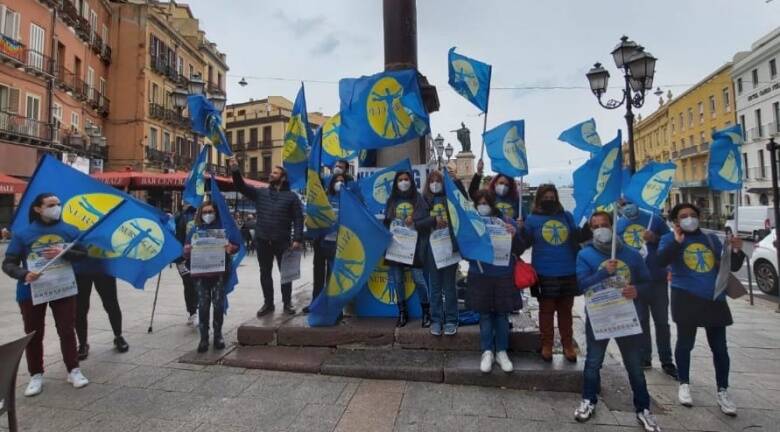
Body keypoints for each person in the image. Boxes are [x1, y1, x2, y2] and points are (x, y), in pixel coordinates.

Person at [573, 211, 660, 432]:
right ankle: (588, 400)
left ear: (612, 226)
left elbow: (649, 283)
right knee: (593, 362)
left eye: (604, 224)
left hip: (626, 318)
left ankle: (643, 408)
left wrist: (637, 290)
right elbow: (581, 285)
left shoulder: (632, 254)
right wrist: (603, 273)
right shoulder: (585, 254)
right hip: (599, 317)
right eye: (595, 226)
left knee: (634, 366)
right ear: (591, 230)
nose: (600, 229)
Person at [657, 203, 745, 416]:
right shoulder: (669, 239)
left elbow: (730, 266)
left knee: (720, 348)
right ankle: (684, 383)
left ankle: (723, 390)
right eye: (683, 216)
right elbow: (661, 261)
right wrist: (677, 243)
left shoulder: (710, 239)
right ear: (676, 221)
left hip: (714, 298)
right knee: (685, 343)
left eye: (692, 215)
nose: (689, 219)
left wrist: (736, 249)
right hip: (685, 296)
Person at [2, 193, 89, 396]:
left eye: (58, 204)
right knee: (34, 334)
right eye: (51, 205)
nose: (56, 207)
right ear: (38, 209)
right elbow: (8, 263)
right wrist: (24, 274)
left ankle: (73, 369)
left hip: (63, 288)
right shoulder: (23, 234)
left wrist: (64, 251)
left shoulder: (69, 230)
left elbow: (84, 254)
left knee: (67, 330)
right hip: (31, 290)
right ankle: (36, 374)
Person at [230, 158, 303, 316]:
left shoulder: (292, 197)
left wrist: (297, 239)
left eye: (275, 173)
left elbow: (298, 219)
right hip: (262, 240)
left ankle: (287, 303)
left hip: (282, 240)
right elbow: (241, 186)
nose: (271, 174)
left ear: (283, 177)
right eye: (271, 172)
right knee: (265, 273)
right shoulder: (261, 193)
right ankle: (268, 303)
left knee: (286, 274)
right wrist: (235, 170)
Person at [519, 184, 582, 362]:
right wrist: (521, 229)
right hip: (544, 272)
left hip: (567, 270)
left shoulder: (566, 217)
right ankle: (547, 344)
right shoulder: (532, 219)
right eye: (545, 197)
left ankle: (567, 345)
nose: (549, 200)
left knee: (565, 312)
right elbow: (524, 244)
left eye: (552, 197)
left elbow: (576, 238)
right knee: (546, 311)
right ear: (539, 199)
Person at [617, 201, 677, 378]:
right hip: (635, 281)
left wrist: (655, 239)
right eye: (622, 203)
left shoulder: (654, 219)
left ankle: (667, 360)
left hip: (657, 279)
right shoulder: (619, 223)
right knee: (641, 321)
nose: (626, 205)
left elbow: (671, 243)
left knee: (662, 322)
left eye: (628, 202)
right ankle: (645, 357)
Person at [468, 190, 521, 374]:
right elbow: (465, 251)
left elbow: (520, 248)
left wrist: (514, 234)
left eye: (486, 202)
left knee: (501, 314)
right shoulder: (471, 223)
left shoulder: (506, 222)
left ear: (492, 204)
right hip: (480, 273)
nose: (483, 206)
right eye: (479, 202)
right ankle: (487, 351)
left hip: (502, 273)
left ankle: (502, 351)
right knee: (484, 315)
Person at [184, 201, 239, 352]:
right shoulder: (194, 230)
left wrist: (230, 248)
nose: (208, 215)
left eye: (211, 211)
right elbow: (185, 250)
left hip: (219, 274)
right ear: (200, 214)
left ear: (216, 213)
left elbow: (236, 245)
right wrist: (189, 249)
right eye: (205, 212)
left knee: (218, 305)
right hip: (200, 275)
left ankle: (218, 335)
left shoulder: (223, 230)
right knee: (203, 305)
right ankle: (203, 338)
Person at [383, 170, 430, 328]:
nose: (404, 182)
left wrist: (414, 221)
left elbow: (428, 220)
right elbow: (386, 221)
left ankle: (426, 311)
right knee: (397, 280)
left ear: (411, 181)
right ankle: (402, 312)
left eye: (406, 179)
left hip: (415, 247)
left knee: (419, 279)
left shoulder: (419, 199)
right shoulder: (391, 201)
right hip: (396, 246)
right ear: (396, 183)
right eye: (400, 180)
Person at [417, 170, 459, 336]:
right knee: (434, 287)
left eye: (438, 180)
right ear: (428, 184)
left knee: (449, 287)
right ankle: (436, 321)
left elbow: (463, 211)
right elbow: (418, 223)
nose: (435, 183)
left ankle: (451, 320)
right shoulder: (422, 201)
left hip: (449, 247)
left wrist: (457, 183)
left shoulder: (451, 199)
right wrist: (433, 220)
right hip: (431, 250)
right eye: (432, 181)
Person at [304, 173, 345, 314]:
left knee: (333, 276)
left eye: (342, 181)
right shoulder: (325, 199)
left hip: (338, 244)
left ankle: (331, 305)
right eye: (337, 181)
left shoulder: (348, 201)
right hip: (321, 242)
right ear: (332, 183)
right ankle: (315, 303)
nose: (340, 183)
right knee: (318, 275)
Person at [74, 270, 128, 360]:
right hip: (81, 266)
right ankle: (82, 343)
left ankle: (118, 336)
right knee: (80, 308)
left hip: (102, 265)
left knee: (111, 303)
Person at [175, 204, 198, 327]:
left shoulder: (203, 213)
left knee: (196, 284)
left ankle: (197, 310)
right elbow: (175, 236)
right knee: (189, 283)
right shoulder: (179, 217)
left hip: (199, 257)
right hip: (182, 258)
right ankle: (193, 312)